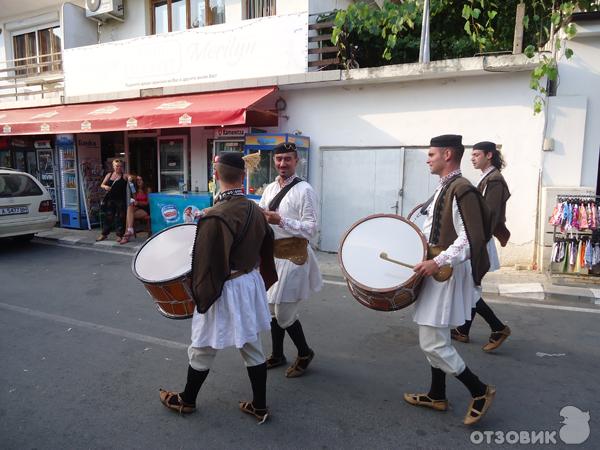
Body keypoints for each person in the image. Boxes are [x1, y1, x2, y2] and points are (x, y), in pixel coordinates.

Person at [159, 152, 278, 423]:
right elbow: (266, 242)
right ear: (243, 176)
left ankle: (187, 400)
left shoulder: (216, 216)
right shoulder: (254, 209)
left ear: (215, 176)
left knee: (201, 345)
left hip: (227, 287)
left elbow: (208, 266)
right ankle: (259, 406)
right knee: (252, 345)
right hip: (249, 282)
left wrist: (199, 295)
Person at [404, 134, 495, 426]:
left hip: (445, 273)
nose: (427, 159)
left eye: (431, 154)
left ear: (446, 154)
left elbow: (471, 238)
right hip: (437, 270)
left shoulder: (462, 188)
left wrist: (438, 261)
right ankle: (436, 394)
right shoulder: (446, 186)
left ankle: (479, 390)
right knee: (436, 337)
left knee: (432, 342)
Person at [258, 142, 323, 378]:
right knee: (273, 310)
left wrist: (281, 221)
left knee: (284, 313)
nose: (282, 163)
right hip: (273, 257)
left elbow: (311, 229)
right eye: (278, 159)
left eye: (287, 159)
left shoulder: (305, 190)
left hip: (294, 258)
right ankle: (277, 354)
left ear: (297, 161)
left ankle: (305, 353)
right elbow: (262, 213)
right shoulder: (270, 188)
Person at [451, 141, 511, 351]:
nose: (472, 158)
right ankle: (463, 330)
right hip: (477, 239)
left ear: (489, 155)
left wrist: (474, 242)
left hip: (479, 241)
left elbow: (490, 216)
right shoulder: (487, 177)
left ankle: (498, 327)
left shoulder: (494, 180)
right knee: (471, 285)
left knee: (470, 287)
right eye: (472, 155)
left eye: (476, 154)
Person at [97, 159, 128, 242]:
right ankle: (104, 234)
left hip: (120, 200)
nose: (119, 168)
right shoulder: (109, 174)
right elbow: (102, 184)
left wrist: (133, 177)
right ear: (113, 166)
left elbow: (132, 177)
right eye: (117, 166)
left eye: (120, 166)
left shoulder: (124, 176)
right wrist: (105, 187)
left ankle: (119, 235)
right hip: (110, 200)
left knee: (120, 218)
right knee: (108, 217)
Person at [121, 175, 151, 244]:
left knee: (128, 216)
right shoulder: (135, 190)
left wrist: (138, 203)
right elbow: (135, 199)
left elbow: (147, 203)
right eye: (137, 180)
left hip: (145, 209)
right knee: (130, 207)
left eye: (140, 179)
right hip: (137, 208)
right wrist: (130, 181)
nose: (139, 181)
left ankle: (126, 236)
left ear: (143, 181)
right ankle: (130, 230)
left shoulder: (147, 189)